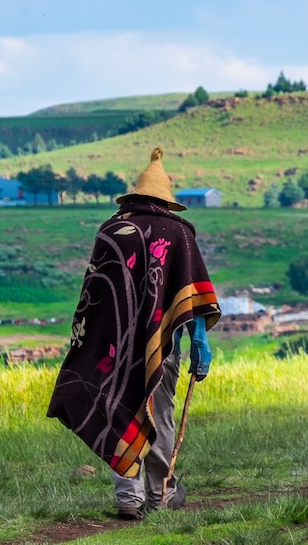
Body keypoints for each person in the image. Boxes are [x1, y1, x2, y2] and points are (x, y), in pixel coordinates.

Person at [47, 147, 221, 520]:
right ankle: (161, 493)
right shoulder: (177, 232)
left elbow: (94, 295)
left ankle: (129, 497)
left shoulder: (111, 230)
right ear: (165, 201)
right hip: (161, 346)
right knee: (158, 412)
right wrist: (200, 342)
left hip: (111, 347)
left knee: (119, 409)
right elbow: (189, 295)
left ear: (134, 196)